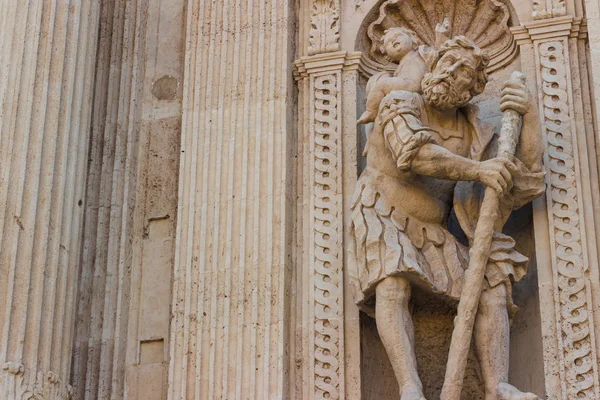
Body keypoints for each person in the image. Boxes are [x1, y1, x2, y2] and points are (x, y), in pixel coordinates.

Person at [350, 35, 544, 400]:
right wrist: (479, 170)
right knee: (392, 280)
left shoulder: (474, 131)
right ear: (434, 62)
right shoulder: (399, 101)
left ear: (471, 90)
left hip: (433, 232)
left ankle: (497, 385)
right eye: (448, 61)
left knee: (491, 277)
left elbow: (522, 183)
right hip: (383, 214)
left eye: (463, 72)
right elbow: (417, 154)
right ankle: (410, 387)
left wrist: (528, 119)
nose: (451, 71)